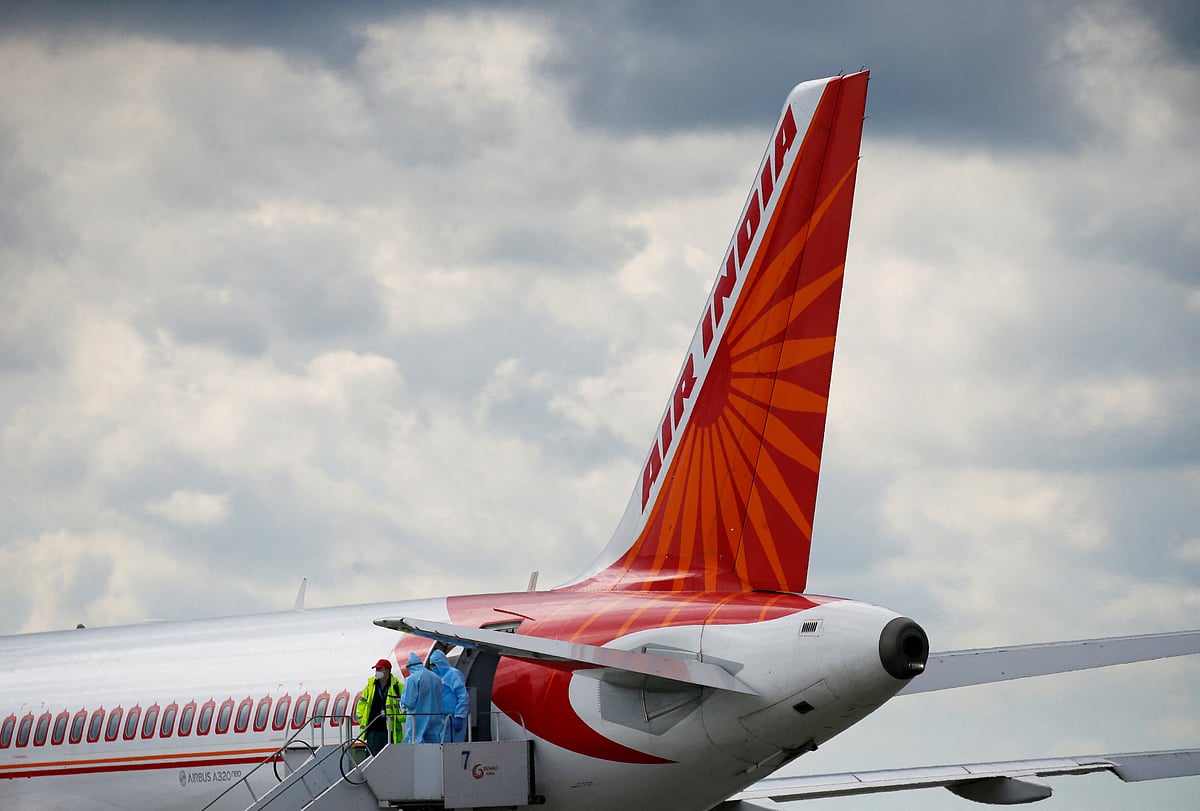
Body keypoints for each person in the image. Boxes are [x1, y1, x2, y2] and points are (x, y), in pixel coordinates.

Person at [355, 658, 404, 756]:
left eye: (379, 669)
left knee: (389, 758)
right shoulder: (370, 686)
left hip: (389, 729)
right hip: (373, 728)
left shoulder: (398, 687)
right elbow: (361, 703)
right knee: (373, 757)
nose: (376, 672)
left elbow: (406, 706)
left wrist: (400, 717)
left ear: (387, 670)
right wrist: (362, 719)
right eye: (376, 670)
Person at [400, 651, 443, 743]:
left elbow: (409, 702)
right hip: (435, 716)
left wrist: (402, 701)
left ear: (409, 666)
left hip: (417, 717)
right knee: (434, 743)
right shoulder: (436, 677)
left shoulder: (412, 679)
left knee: (415, 742)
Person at [429, 649, 469, 743]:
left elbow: (463, 696)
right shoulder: (436, 678)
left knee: (453, 748)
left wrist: (459, 715)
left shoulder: (453, 674)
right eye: (431, 665)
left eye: (434, 665)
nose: (432, 668)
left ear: (440, 663)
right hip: (441, 719)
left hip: (453, 718)